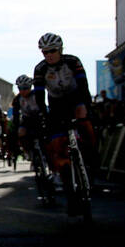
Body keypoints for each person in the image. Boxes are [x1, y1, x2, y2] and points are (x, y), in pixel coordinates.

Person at [32, 32, 95, 196]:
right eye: (45, 52)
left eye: (52, 51)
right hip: (56, 104)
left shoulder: (73, 61)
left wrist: (87, 106)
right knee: (57, 143)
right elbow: (39, 96)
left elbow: (83, 85)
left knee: (84, 120)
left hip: (75, 98)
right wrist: (43, 115)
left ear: (60, 49)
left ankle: (92, 154)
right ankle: (67, 181)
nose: (49, 55)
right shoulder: (40, 69)